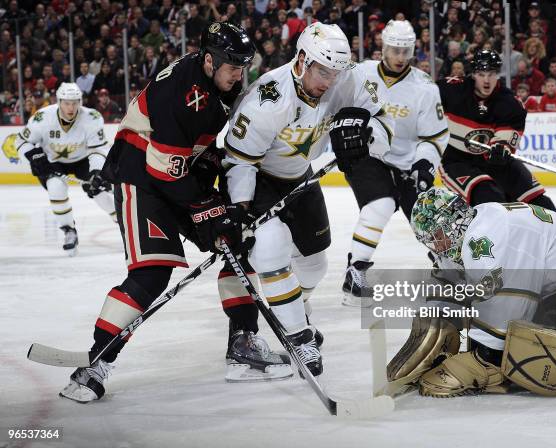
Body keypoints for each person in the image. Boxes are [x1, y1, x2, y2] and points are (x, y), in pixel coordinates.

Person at [55, 23, 289, 403]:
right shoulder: (181, 89)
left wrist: (218, 207)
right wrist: (206, 206)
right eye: (233, 66)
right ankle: (95, 364)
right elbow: (163, 169)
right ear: (210, 60)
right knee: (152, 273)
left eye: (243, 67)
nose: (239, 74)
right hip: (140, 178)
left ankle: (243, 343)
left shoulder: (219, 84)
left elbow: (199, 150)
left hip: (178, 173)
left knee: (236, 240)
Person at [221, 22, 392, 376]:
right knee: (270, 248)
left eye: (335, 73)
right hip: (258, 178)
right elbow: (238, 161)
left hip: (299, 175)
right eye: (322, 72)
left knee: (315, 264)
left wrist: (365, 135)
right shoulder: (267, 97)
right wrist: (240, 210)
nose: (328, 82)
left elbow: (386, 124)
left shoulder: (348, 78)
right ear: (302, 60)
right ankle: (298, 336)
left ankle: (295, 310)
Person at [389, 188, 556, 397]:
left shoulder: (486, 236)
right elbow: (447, 288)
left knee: (527, 330)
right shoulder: (473, 228)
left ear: (452, 221)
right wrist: (431, 332)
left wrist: (485, 357)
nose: (435, 246)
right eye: (429, 240)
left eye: (437, 236)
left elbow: (507, 298)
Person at [341, 20, 449, 306]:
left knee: (426, 214)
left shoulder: (425, 87)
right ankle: (356, 272)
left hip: (408, 162)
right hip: (368, 155)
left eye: (406, 51)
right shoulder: (360, 73)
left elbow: (435, 135)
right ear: (383, 47)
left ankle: (448, 268)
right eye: (395, 50)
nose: (400, 57)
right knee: (381, 205)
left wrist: (425, 164)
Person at [437, 49, 556, 211]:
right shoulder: (451, 90)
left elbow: (505, 139)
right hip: (457, 161)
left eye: (491, 74)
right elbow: (422, 98)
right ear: (473, 74)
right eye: (481, 74)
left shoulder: (510, 103)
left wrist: (501, 148)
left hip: (494, 161)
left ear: (498, 74)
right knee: (490, 198)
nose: (486, 80)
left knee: (539, 203)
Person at [15, 82, 116, 255]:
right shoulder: (42, 118)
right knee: (56, 188)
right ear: (59, 101)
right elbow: (21, 141)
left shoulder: (92, 117)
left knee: (97, 190)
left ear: (80, 101)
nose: (71, 107)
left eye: (75, 102)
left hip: (83, 159)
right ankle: (69, 230)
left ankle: (121, 221)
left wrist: (97, 172)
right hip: (54, 161)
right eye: (67, 103)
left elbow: (98, 149)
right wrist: (34, 156)